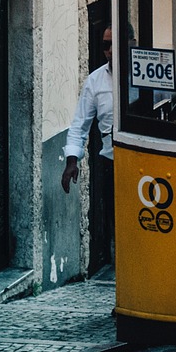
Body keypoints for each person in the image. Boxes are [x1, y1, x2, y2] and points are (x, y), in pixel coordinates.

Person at [62, 28, 115, 246]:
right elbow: (79, 124)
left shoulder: (146, 72)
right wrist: (71, 161)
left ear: (131, 42)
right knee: (116, 223)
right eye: (105, 45)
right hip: (111, 163)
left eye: (115, 43)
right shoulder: (95, 81)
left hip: (146, 161)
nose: (110, 51)